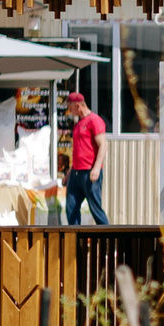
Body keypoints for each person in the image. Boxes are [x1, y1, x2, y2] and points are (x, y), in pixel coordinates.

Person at [63, 91, 109, 225]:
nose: (69, 110)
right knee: (71, 208)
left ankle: (110, 240)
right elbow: (79, 151)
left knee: (95, 209)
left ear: (78, 106)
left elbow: (103, 145)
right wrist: (69, 173)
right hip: (76, 173)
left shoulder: (94, 120)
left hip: (89, 173)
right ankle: (76, 243)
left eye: (70, 107)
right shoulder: (78, 124)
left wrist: (96, 168)